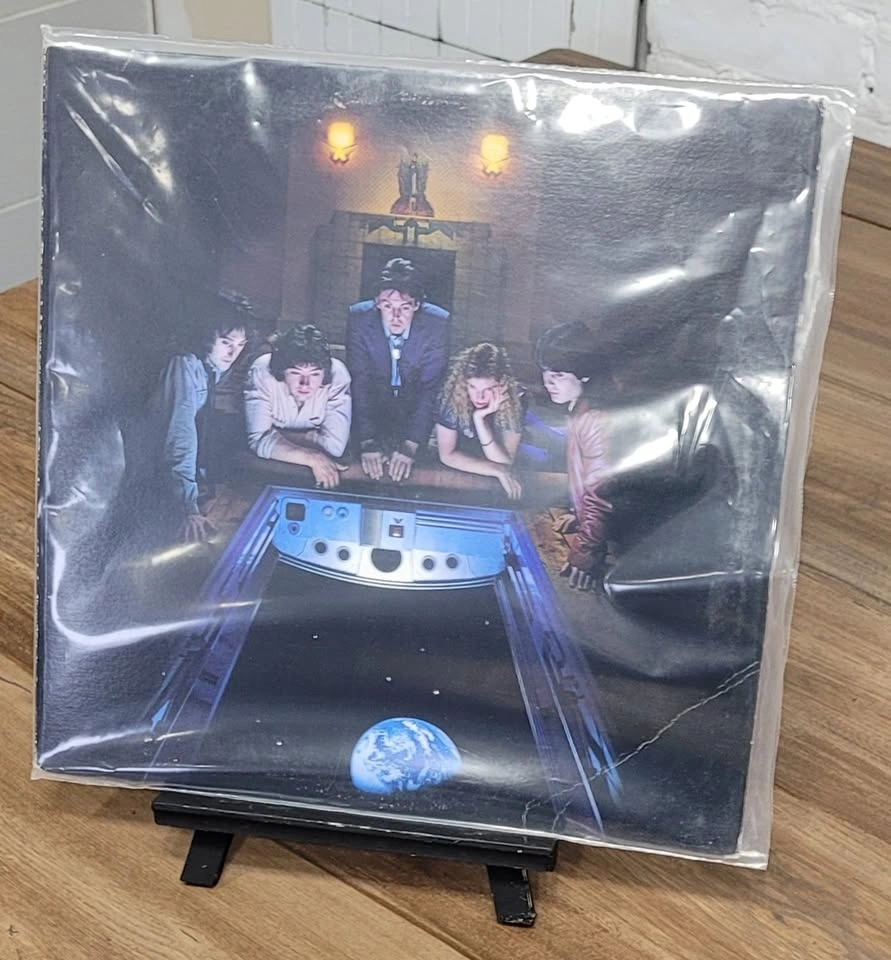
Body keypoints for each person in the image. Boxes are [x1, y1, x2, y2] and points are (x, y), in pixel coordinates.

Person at [150, 303, 250, 543]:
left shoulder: (211, 369)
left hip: (175, 477)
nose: (233, 353)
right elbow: (180, 434)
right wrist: (188, 505)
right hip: (148, 473)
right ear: (207, 338)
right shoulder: (184, 365)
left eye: (240, 345)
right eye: (226, 342)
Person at [346, 258, 449, 482]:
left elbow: (430, 388)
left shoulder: (437, 323)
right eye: (387, 306)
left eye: (404, 307)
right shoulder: (359, 318)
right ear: (377, 303)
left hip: (413, 411)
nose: (395, 317)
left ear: (417, 305)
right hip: (373, 409)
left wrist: (411, 445)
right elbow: (360, 382)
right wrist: (367, 441)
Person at [535, 320, 613, 590]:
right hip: (598, 529)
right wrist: (579, 516)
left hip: (617, 543)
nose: (548, 382)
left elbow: (601, 492)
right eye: (545, 372)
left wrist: (586, 551)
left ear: (584, 374)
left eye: (558, 375)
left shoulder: (595, 418)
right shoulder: (579, 408)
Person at [244, 324, 351, 490]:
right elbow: (257, 440)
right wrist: (314, 458)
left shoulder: (337, 374)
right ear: (281, 370)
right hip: (269, 473)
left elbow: (334, 447)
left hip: (288, 463)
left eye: (315, 374)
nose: (305, 384)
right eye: (295, 373)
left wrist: (276, 436)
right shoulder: (262, 371)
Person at [435, 342, 524, 499]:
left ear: (502, 385)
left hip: (492, 469)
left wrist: (480, 419)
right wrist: (496, 470)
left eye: (488, 389)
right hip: (460, 468)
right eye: (472, 387)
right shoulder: (453, 396)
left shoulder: (516, 399)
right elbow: (447, 455)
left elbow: (504, 461)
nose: (479, 397)